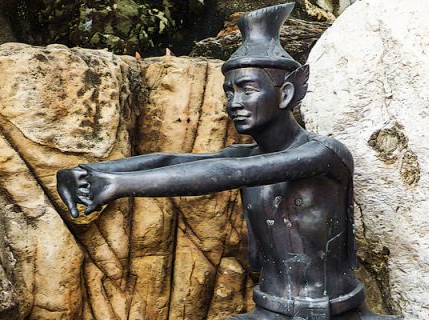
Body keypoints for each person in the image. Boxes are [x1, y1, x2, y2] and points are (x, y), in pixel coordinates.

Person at [57, 3, 400, 319]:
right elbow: (171, 158)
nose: (234, 102)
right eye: (229, 92)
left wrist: (116, 186)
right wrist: (93, 173)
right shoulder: (249, 154)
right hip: (269, 310)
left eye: (247, 89)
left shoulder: (324, 154)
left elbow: (230, 173)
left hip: (336, 314)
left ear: (286, 93)